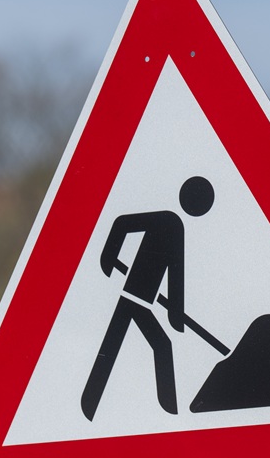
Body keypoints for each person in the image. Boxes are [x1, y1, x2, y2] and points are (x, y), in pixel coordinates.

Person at [80, 176, 215, 421]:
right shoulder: (169, 221)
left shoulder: (175, 226)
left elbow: (175, 275)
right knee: (157, 346)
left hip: (141, 301)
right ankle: (170, 415)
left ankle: (88, 405)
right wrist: (108, 256)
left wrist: (175, 313)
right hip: (133, 297)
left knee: (118, 345)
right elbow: (122, 223)